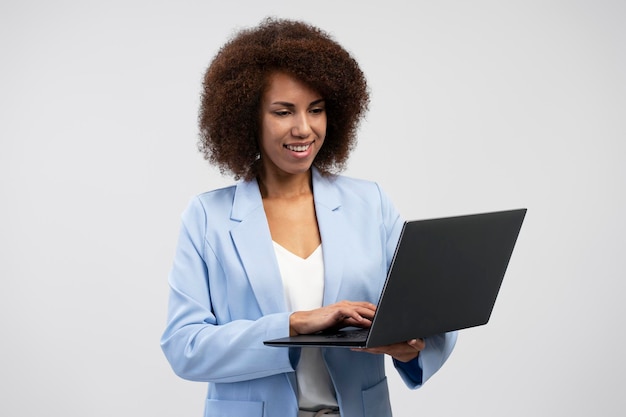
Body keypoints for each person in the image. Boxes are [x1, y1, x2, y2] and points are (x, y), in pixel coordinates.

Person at [161, 17, 457, 417]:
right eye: (284, 112)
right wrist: (294, 324)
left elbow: (429, 313)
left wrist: (411, 347)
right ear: (248, 117)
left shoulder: (370, 204)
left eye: (315, 110)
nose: (304, 129)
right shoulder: (207, 218)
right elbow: (185, 347)